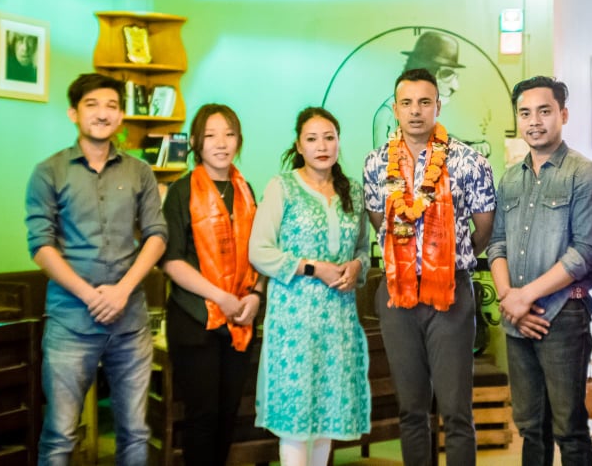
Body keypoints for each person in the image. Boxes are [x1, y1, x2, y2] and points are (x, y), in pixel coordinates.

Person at [25, 73, 167, 465]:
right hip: (70, 321)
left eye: (111, 106)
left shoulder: (140, 172)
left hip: (130, 321)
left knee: (135, 433)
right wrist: (91, 295)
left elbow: (157, 235)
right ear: (73, 113)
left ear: (120, 116)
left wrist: (121, 291)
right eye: (92, 105)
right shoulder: (48, 171)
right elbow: (41, 245)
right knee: (60, 435)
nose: (102, 113)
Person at [363, 67, 496, 465]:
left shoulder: (470, 161)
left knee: (456, 410)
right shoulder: (375, 163)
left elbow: (484, 229)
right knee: (411, 409)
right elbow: (379, 222)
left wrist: (448, 259)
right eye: (406, 103)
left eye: (424, 102)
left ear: (438, 105)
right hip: (397, 295)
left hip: (450, 295)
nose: (415, 111)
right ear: (395, 109)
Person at [487, 76, 592, 466]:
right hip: (516, 317)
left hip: (564, 315)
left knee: (569, 428)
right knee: (530, 427)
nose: (534, 121)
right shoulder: (509, 178)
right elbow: (497, 244)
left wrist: (525, 297)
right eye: (525, 113)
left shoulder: (584, 174)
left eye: (544, 111)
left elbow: (584, 253)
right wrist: (509, 299)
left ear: (563, 115)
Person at [249, 107, 371, 466]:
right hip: (294, 324)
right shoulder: (282, 187)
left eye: (329, 138)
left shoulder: (354, 191)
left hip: (338, 321)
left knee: (326, 419)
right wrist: (312, 268)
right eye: (312, 139)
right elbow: (259, 251)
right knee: (296, 422)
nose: (322, 146)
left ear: (338, 142)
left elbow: (363, 250)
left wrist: (357, 266)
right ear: (299, 146)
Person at [160, 104, 266, 465]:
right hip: (195, 319)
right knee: (202, 417)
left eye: (229, 134)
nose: (221, 143)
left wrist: (255, 295)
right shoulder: (180, 192)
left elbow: (261, 252)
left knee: (227, 415)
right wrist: (220, 296)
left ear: (239, 140)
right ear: (195, 142)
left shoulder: (246, 190)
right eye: (210, 135)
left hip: (240, 319)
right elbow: (171, 260)